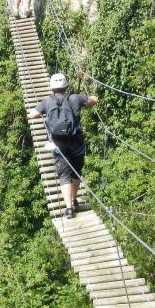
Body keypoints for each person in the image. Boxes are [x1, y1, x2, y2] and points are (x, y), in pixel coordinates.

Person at [29, 73, 98, 219]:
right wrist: (88, 96)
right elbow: (94, 100)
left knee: (64, 175)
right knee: (76, 171)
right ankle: (74, 199)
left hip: (59, 144)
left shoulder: (46, 101)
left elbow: (32, 115)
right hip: (76, 141)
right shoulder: (75, 98)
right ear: (66, 86)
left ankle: (69, 209)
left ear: (51, 87)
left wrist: (44, 113)